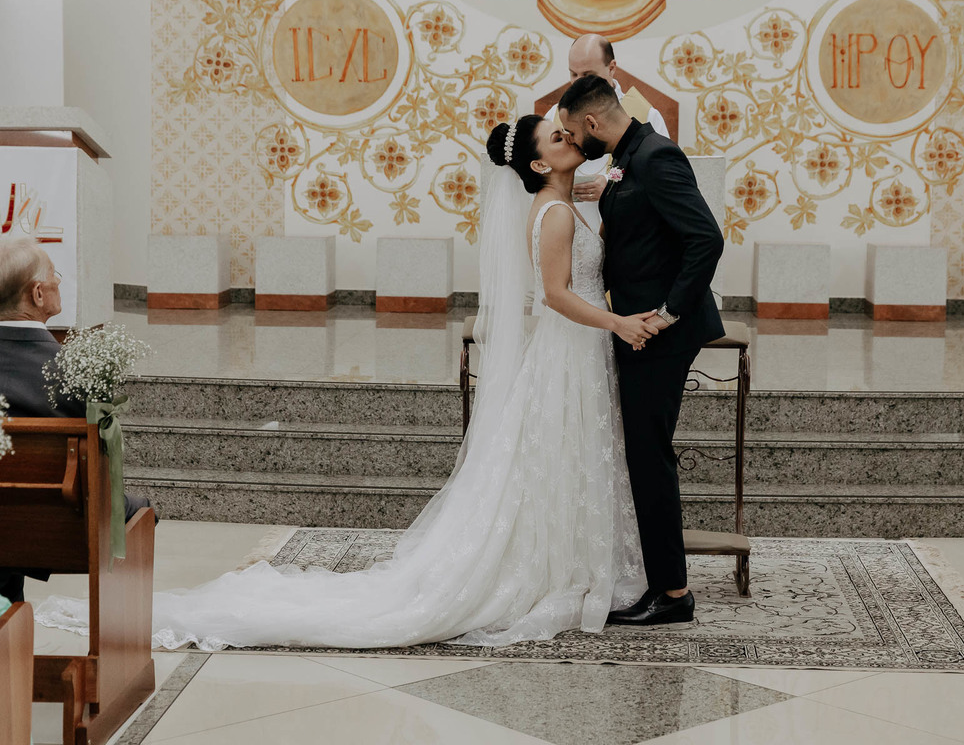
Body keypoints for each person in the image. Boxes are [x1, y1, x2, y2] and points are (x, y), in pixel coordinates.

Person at [37, 117, 661, 650]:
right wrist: (618, 322)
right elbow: (554, 295)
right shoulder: (553, 215)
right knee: (557, 454)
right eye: (557, 136)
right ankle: (555, 568)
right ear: (537, 162)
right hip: (570, 346)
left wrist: (607, 184)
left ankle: (573, 561)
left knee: (567, 456)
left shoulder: (563, 201)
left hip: (577, 351)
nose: (570, 136)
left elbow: (584, 230)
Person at [558, 75, 724, 626]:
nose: (574, 143)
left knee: (650, 456)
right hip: (635, 324)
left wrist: (669, 312)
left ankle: (673, 594)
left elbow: (706, 238)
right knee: (643, 453)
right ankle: (662, 583)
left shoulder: (656, 156)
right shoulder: (627, 157)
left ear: (591, 122)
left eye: (572, 133)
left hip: (659, 331)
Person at [0, 237, 154, 602]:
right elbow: (101, 475)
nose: (59, 281)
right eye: (54, 274)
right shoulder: (76, 373)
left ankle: (9, 613)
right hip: (55, 531)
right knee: (140, 509)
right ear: (38, 294)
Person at [545, 34, 669, 232]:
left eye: (587, 74)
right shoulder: (555, 115)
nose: (578, 83)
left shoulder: (647, 116)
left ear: (611, 68)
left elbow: (661, 181)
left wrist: (613, 187)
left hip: (625, 228)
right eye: (573, 74)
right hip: (567, 225)